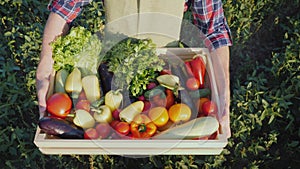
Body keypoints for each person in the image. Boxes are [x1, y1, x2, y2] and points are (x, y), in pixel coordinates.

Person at [36, 0, 232, 127]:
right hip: (114, 61)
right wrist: (46, 62)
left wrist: (223, 90)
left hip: (163, 61)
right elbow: (66, 6)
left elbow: (213, 30)